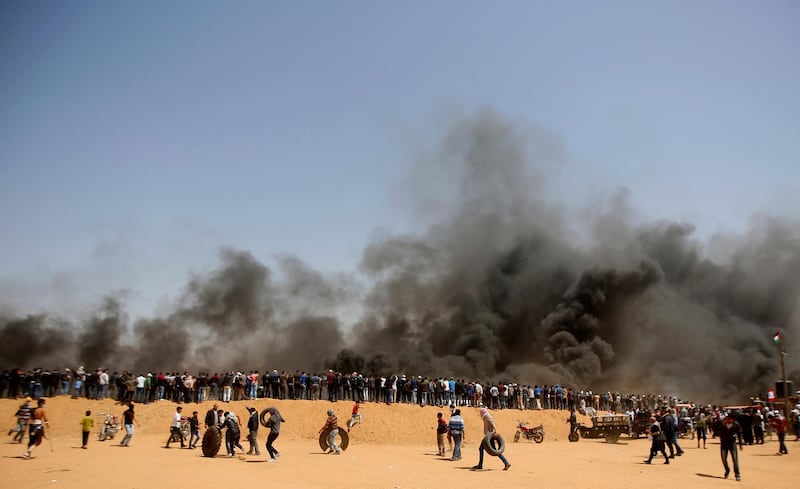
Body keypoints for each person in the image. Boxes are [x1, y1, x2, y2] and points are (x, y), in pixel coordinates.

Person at [719, 413, 744, 480]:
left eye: (730, 418)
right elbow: (718, 430)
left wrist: (740, 444)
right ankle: (727, 470)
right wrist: (722, 426)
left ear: (733, 419)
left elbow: (740, 434)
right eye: (728, 418)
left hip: (732, 443)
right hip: (724, 443)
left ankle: (737, 474)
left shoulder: (736, 424)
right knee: (724, 459)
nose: (729, 419)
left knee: (735, 459)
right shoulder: (723, 424)